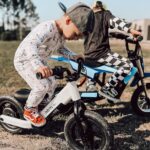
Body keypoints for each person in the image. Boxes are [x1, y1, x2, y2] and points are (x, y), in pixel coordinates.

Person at [14, 2, 94, 127]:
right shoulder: (47, 28)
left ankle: (42, 105)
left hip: (40, 62)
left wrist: (73, 56)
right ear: (68, 20)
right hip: (25, 60)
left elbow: (61, 49)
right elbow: (30, 45)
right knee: (42, 85)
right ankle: (30, 109)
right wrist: (38, 66)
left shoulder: (61, 35)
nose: (76, 38)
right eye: (76, 34)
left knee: (52, 83)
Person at [84, 1, 141, 101]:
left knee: (110, 62)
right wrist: (130, 30)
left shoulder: (89, 17)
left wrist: (123, 35)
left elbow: (105, 32)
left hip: (88, 54)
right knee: (127, 65)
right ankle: (107, 88)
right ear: (102, 7)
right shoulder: (105, 14)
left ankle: (91, 85)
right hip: (101, 54)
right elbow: (116, 22)